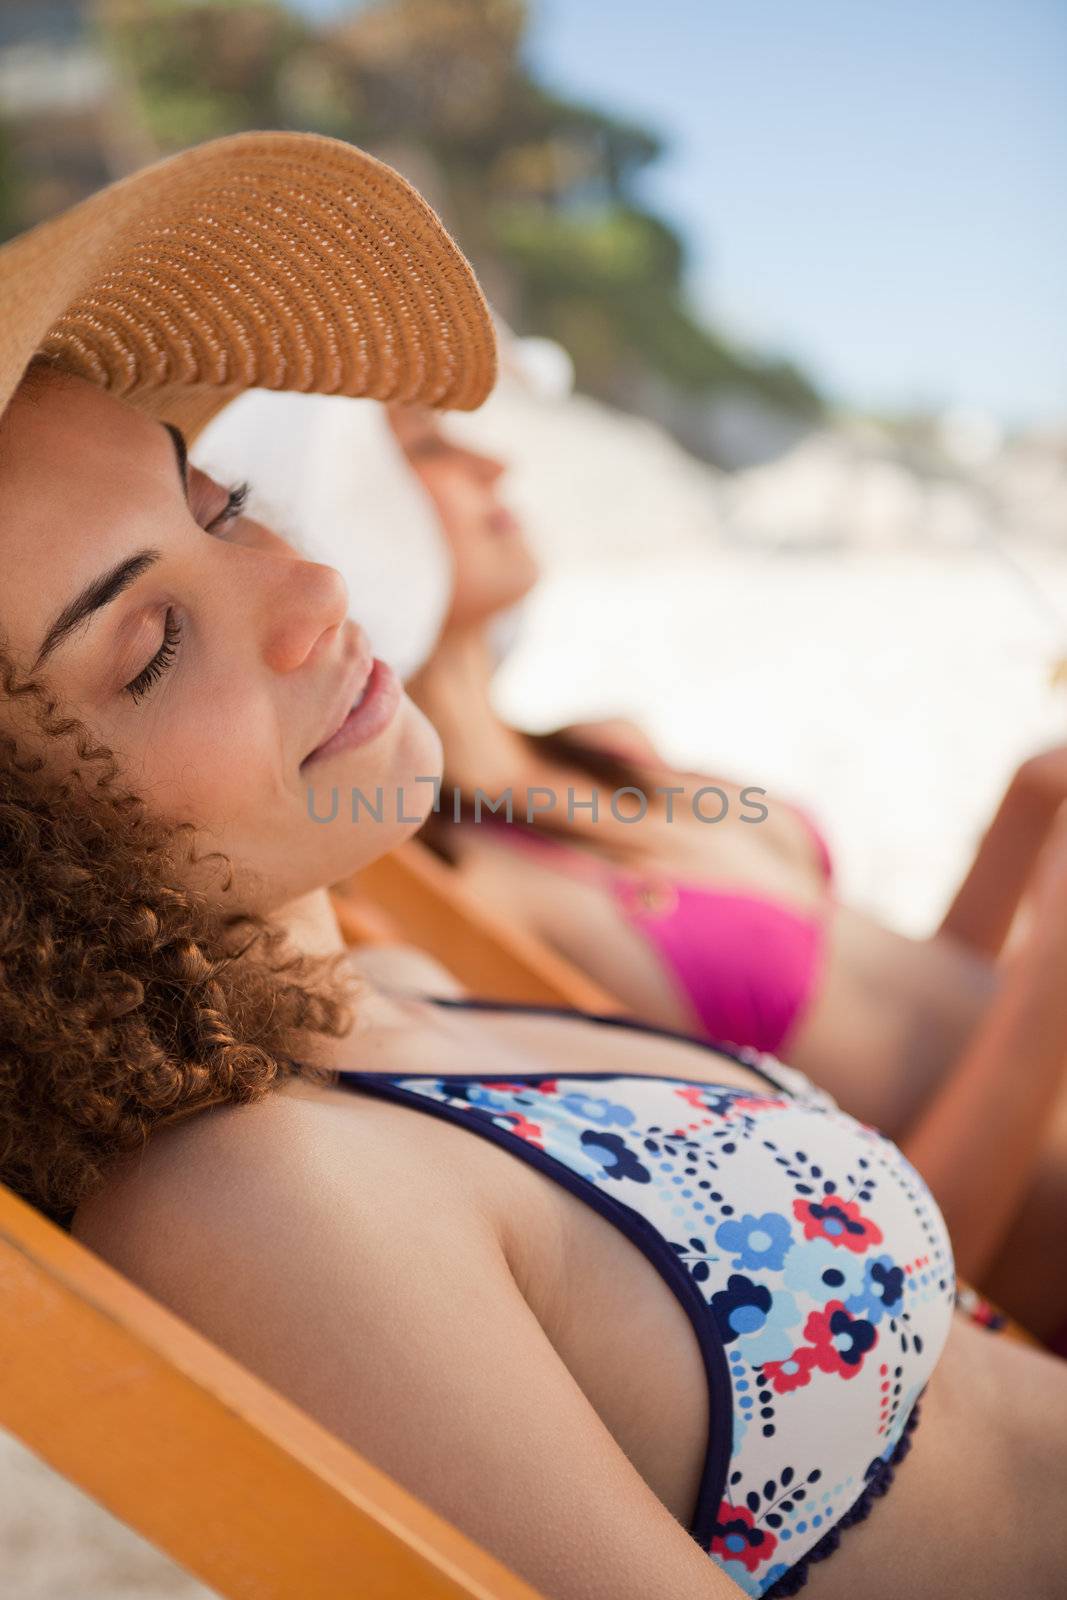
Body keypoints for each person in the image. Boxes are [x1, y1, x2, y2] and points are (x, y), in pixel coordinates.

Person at [1, 134, 1065, 1600]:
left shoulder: (404, 984)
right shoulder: (254, 1197)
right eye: (152, 643)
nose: (313, 585)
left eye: (218, 505)